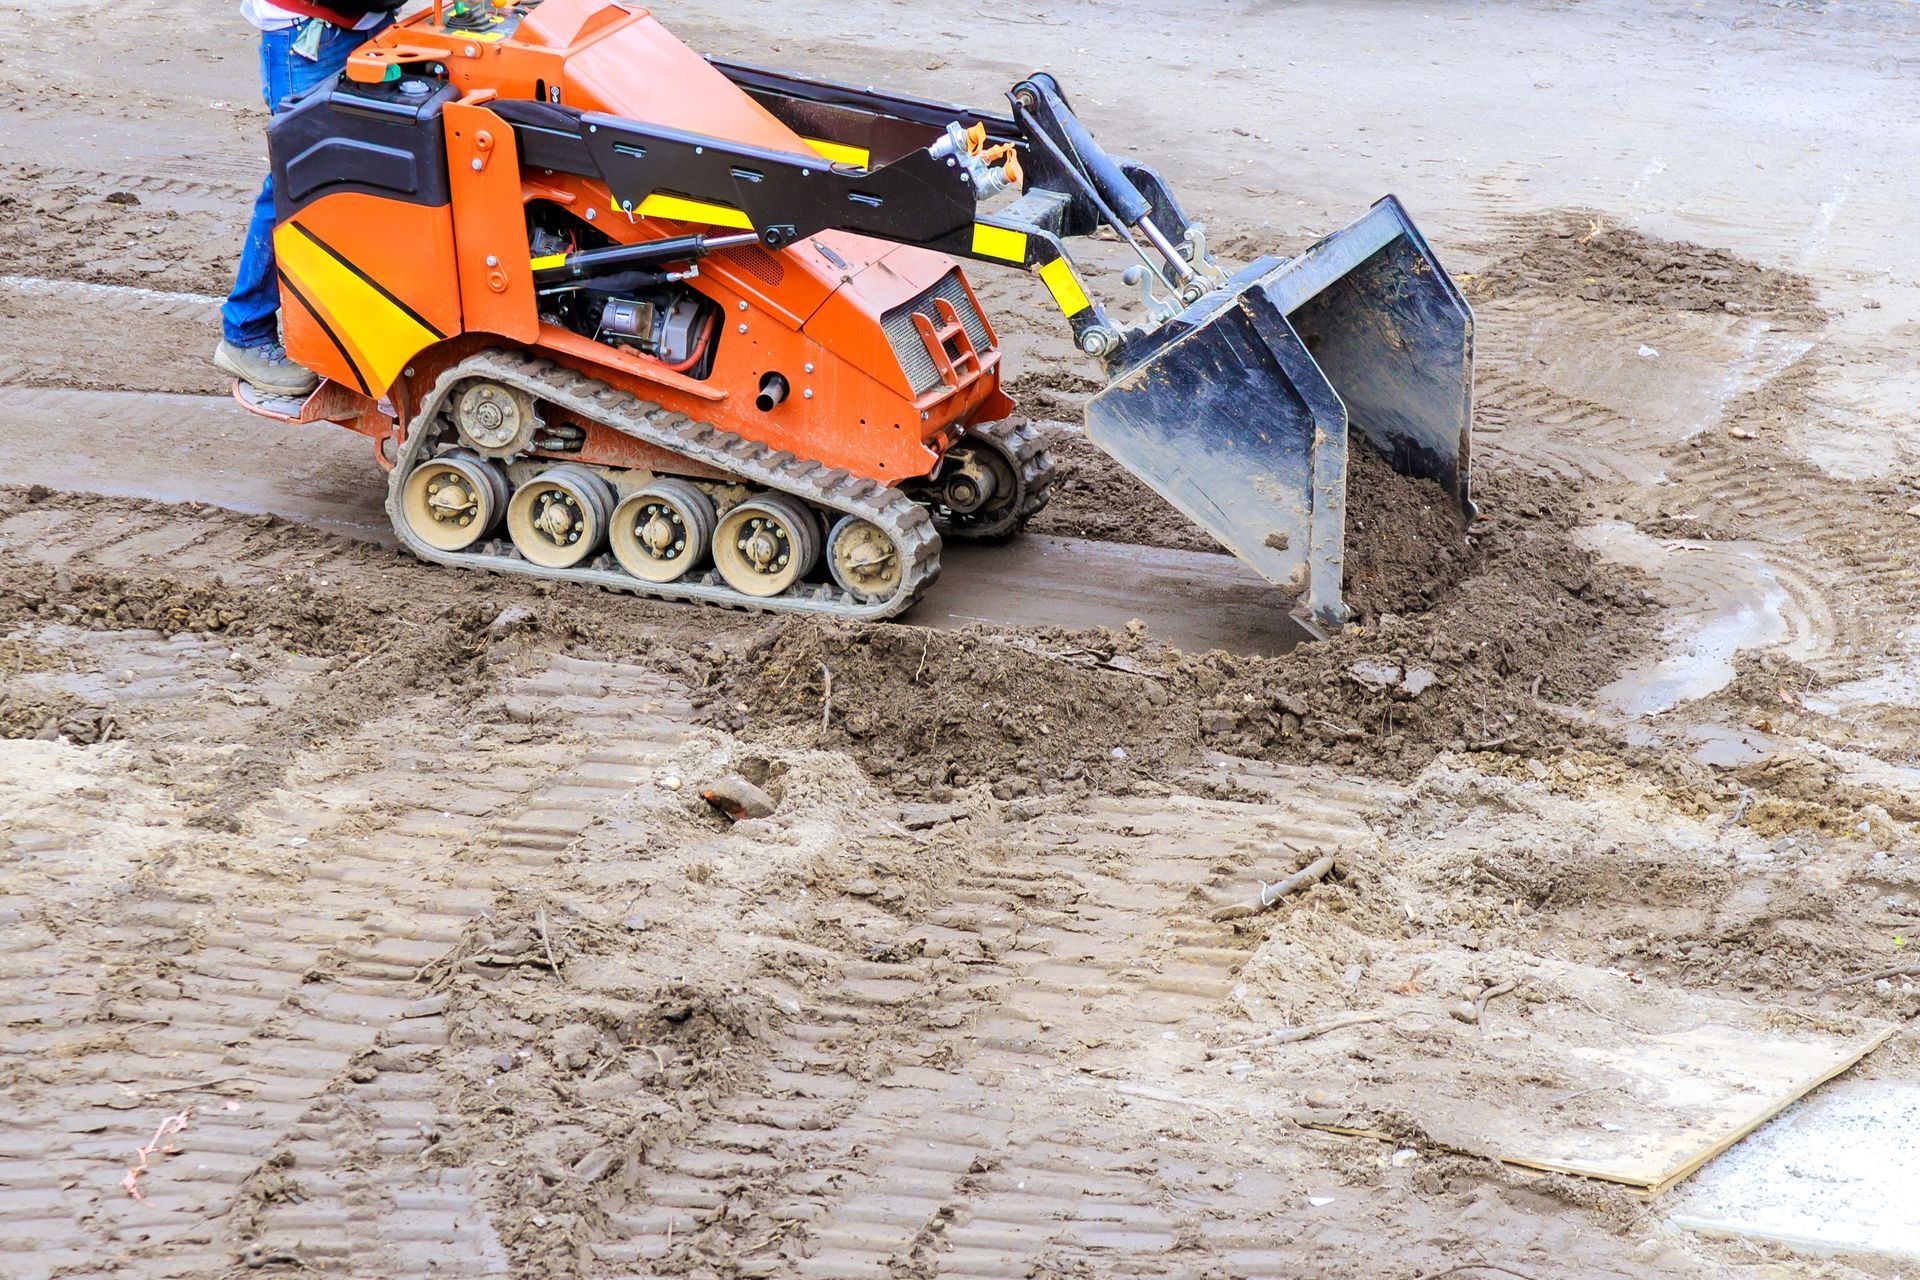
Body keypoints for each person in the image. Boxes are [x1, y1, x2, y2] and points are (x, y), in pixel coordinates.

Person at [216, 0, 399, 397]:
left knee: (375, 179)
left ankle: (350, 335)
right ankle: (245, 332)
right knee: (300, 182)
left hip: (370, 22)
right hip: (310, 30)